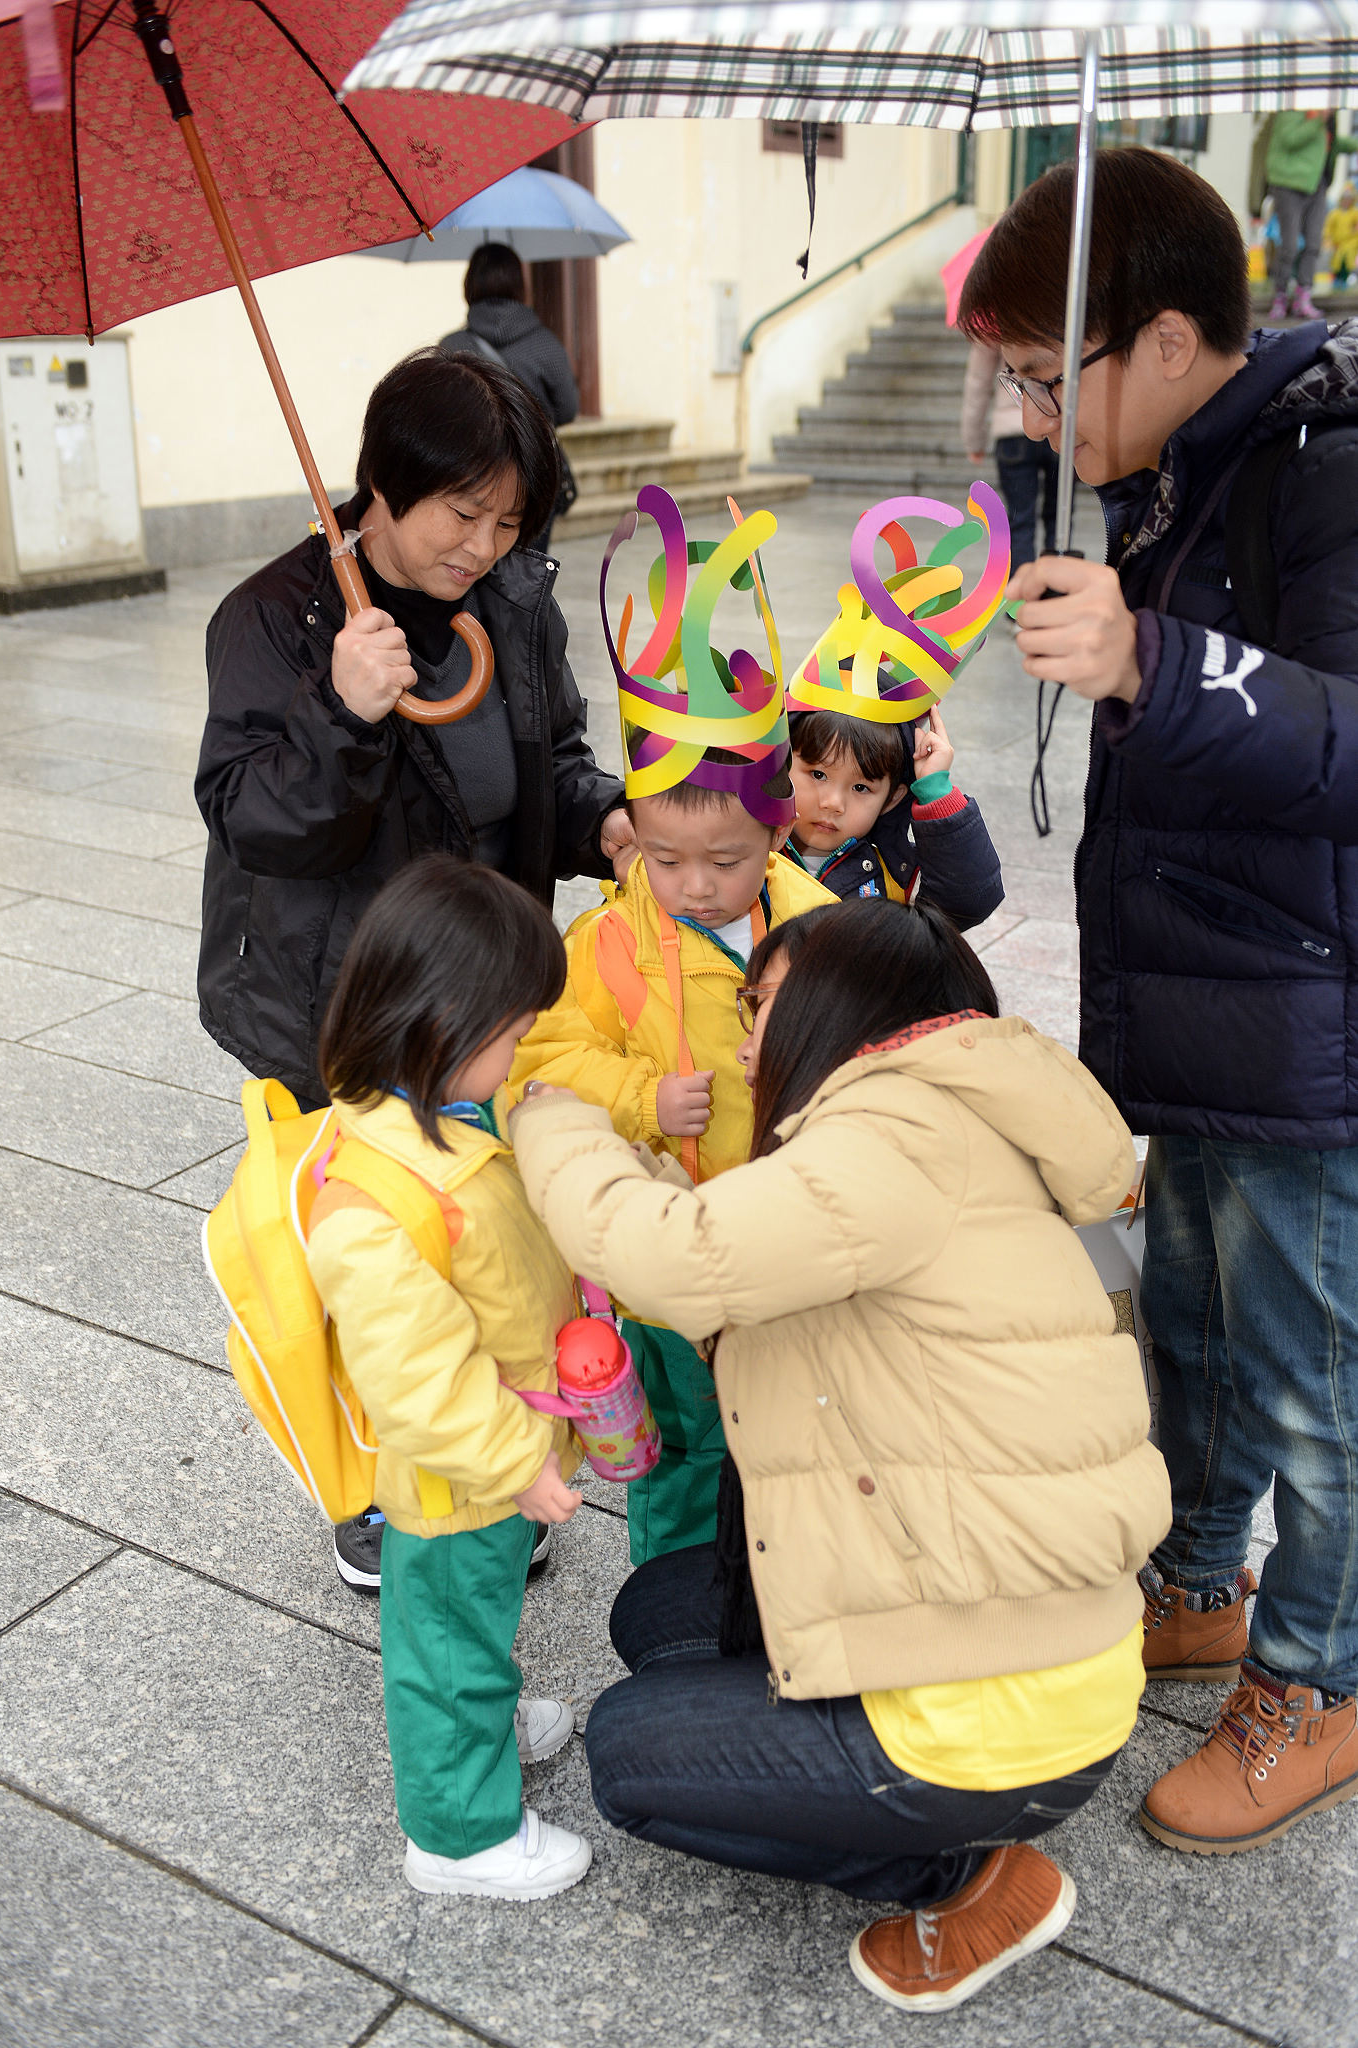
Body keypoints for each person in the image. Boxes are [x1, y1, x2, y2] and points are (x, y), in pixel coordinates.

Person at [507, 896, 1169, 2012]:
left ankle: (961, 1877)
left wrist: (553, 1121)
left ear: (848, 1005)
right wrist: (649, 1174)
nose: (745, 1044)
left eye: (762, 1006)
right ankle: (876, 1776)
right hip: (1029, 1630)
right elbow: (749, 1287)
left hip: (999, 1703)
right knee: (657, 1615)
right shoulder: (943, 1122)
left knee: (626, 1755)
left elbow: (679, 1260)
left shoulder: (896, 1134)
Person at [960, 144, 1358, 1854]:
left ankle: (1318, 1677)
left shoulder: (1324, 470)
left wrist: (1152, 657)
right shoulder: (1174, 474)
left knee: (1310, 1381)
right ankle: (1196, 1582)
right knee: (1186, 1328)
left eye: (1048, 377)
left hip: (1301, 1023)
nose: (1033, 415)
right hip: (1194, 997)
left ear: (1173, 341)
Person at [197, 347, 630, 1593]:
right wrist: (341, 712)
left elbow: (549, 759)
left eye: (510, 520)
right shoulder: (275, 619)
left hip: (477, 1003)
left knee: (476, 1244)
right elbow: (255, 821)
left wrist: (603, 818)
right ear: (382, 484)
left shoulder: (513, 600)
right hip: (344, 1004)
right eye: (461, 512)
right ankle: (379, 1491)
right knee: (373, 1260)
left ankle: (492, 1457)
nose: (483, 546)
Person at [304, 856, 591, 1900]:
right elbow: (419, 1381)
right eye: (512, 1035)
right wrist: (519, 1465)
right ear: (441, 1025)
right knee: (445, 1645)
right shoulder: (372, 1200)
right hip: (458, 1478)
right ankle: (459, 1834)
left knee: (478, 1620)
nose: (519, 1055)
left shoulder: (445, 1114)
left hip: (495, 1460)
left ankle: (490, 1718)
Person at [508, 741, 833, 1565]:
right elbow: (538, 1061)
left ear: (778, 833)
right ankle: (677, 1595)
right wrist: (641, 1096)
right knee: (688, 1445)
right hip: (671, 1254)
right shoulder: (607, 943)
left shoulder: (818, 923)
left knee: (786, 1428)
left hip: (786, 1243)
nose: (694, 885)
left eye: (724, 862)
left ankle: (773, 1579)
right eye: (664, 859)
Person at [786, 703, 1003, 926]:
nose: (833, 803)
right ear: (782, 764)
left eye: (861, 788)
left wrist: (935, 789)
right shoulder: (762, 855)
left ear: (892, 798)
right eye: (818, 775)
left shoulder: (895, 876)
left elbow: (968, 905)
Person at [440, 243, 579, 552]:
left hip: (470, 477)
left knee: (474, 561)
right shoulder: (546, 344)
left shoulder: (451, 347)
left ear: (469, 286)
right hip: (533, 473)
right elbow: (569, 409)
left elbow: (442, 417)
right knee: (529, 566)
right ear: (520, 286)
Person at [962, 338, 1060, 570]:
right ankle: (1056, 587)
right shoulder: (1062, 316)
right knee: (1059, 519)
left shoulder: (992, 323)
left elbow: (978, 382)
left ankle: (1022, 590)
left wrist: (974, 440)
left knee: (1020, 520)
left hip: (1012, 429)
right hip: (1056, 422)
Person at [1260, 110, 1358, 320]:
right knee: (1290, 245)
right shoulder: (1294, 109)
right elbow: (1289, 139)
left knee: (1313, 244)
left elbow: (1332, 144)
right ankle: (1280, 297)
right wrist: (1319, 120)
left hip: (1317, 184)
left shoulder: (1326, 118)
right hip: (1289, 183)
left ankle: (1303, 297)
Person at [1325, 183, 1358, 286]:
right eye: (1345, 199)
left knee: (1347, 261)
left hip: (1350, 242)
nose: (1346, 202)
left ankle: (1345, 278)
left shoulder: (1354, 213)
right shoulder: (1335, 213)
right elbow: (1328, 227)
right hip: (1337, 243)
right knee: (1336, 263)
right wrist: (1328, 238)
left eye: (1349, 199)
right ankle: (1336, 279)